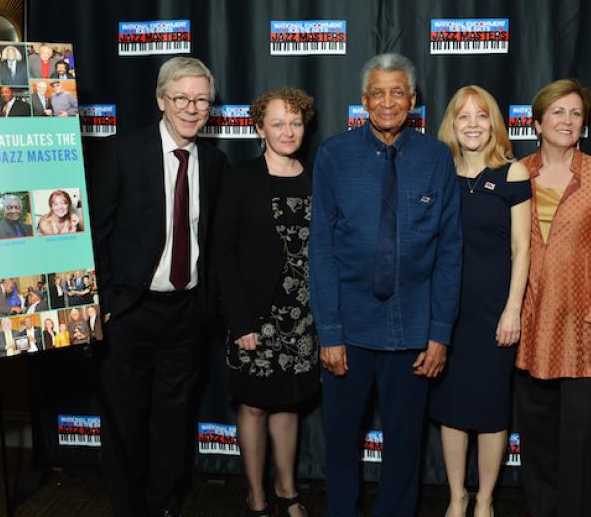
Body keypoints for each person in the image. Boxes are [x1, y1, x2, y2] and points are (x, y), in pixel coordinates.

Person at [309, 53, 462, 517]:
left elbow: (450, 250)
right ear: (363, 100)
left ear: (412, 100)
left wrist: (439, 333)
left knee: (404, 443)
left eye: (398, 92)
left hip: (414, 330)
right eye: (378, 92)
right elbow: (321, 249)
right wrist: (329, 332)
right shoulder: (334, 155)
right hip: (350, 329)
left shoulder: (437, 158)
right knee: (339, 440)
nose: (388, 101)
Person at [91, 56, 227, 517]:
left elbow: (211, 239)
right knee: (125, 423)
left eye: (202, 99)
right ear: (161, 101)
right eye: (182, 98)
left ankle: (165, 505)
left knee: (173, 421)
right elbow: (97, 232)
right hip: (129, 313)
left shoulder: (214, 161)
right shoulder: (121, 152)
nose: (192, 108)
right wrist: (103, 302)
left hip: (186, 314)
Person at [429, 86, 531, 517]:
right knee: (451, 407)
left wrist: (512, 310)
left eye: (482, 115)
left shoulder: (514, 174)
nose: (473, 124)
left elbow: (522, 249)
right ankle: (457, 496)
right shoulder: (437, 174)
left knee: (491, 407)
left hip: (493, 311)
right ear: (452, 124)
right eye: (463, 116)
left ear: (494, 123)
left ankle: (486, 498)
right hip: (447, 311)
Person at [215, 88, 317, 517]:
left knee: (287, 404)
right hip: (256, 316)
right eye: (277, 123)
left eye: (295, 123)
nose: (288, 131)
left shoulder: (316, 177)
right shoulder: (241, 178)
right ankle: (256, 495)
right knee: (255, 405)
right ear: (259, 129)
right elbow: (224, 252)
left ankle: (287, 490)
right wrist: (240, 322)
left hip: (304, 317)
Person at [514, 79, 591, 517]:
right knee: (538, 434)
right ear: (538, 122)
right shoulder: (515, 174)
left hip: (582, 327)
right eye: (558, 112)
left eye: (576, 113)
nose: (567, 121)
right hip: (529, 324)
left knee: (579, 438)